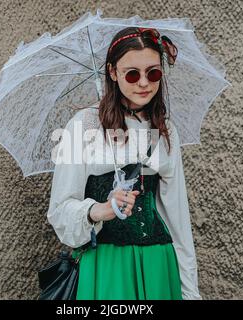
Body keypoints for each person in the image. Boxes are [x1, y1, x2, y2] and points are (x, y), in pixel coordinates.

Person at [47, 27, 202, 300]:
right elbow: (59, 211)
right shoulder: (83, 126)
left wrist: (190, 293)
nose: (144, 83)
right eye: (132, 74)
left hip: (158, 267)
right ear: (112, 72)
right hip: (105, 268)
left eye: (153, 73)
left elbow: (178, 220)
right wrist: (100, 210)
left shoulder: (166, 131)